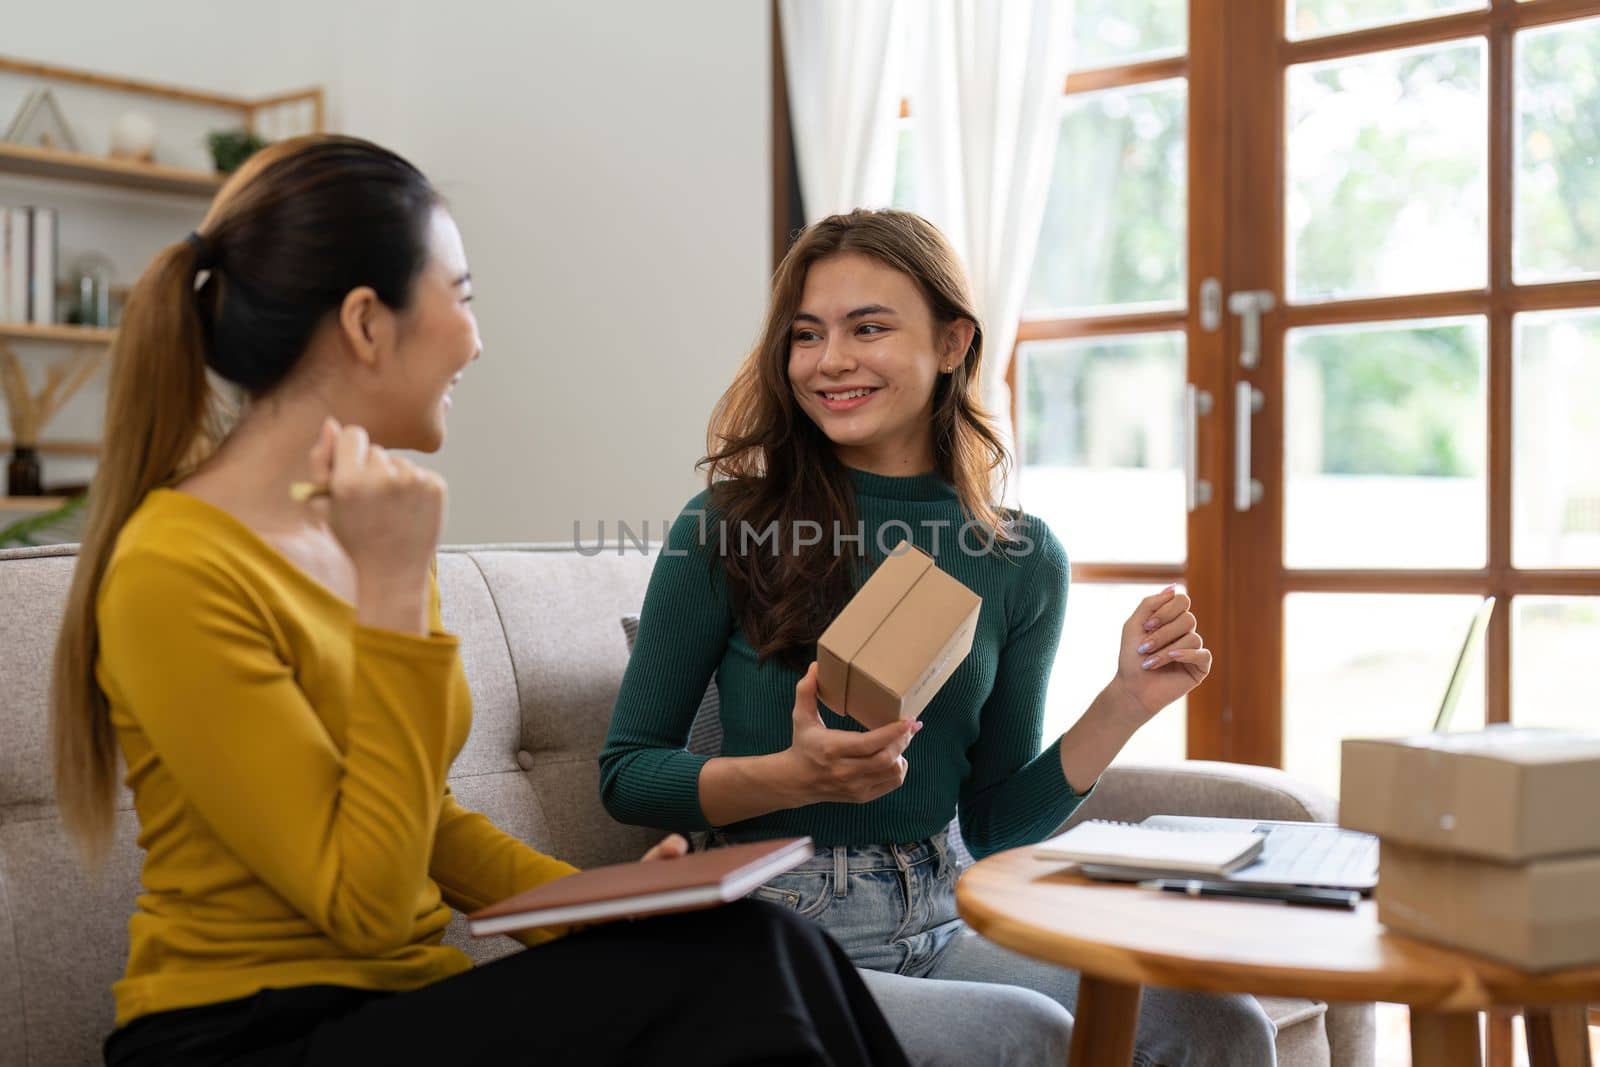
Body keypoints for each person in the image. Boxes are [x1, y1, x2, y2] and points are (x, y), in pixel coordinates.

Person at [51, 134, 909, 1067]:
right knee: (747, 971)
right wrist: (387, 595)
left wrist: (599, 908)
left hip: (398, 1009)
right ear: (367, 323)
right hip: (246, 1033)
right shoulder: (174, 568)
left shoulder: (372, 525)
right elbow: (368, 905)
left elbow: (419, 817)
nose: (476, 337)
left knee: (773, 941)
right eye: (459, 298)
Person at [601, 209, 1279, 1065]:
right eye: (805, 334)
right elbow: (626, 774)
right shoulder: (727, 525)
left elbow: (993, 821)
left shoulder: (1020, 557)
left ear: (954, 342)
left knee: (1220, 1020)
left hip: (945, 911)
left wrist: (1124, 703)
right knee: (1024, 1039)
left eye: (868, 327)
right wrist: (789, 775)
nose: (829, 360)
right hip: (777, 925)